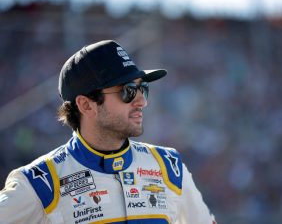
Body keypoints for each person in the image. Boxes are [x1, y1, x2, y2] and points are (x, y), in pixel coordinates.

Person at [0, 40, 216, 224]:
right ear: (86, 105)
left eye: (143, 89)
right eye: (128, 91)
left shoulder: (169, 166)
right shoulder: (39, 182)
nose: (141, 101)